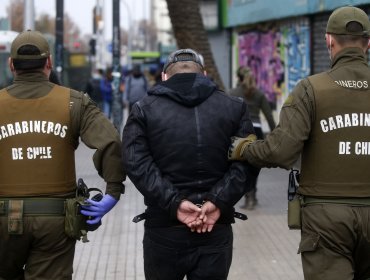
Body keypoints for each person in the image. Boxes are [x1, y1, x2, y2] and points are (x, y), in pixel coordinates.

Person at [228, 6, 370, 280]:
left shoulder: (311, 89)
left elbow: (281, 151)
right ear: (368, 43)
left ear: (329, 40)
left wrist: (244, 148)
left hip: (327, 220)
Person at [122, 48, 258, 280]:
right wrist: (217, 202)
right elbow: (248, 161)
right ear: (204, 74)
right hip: (215, 227)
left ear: (164, 76)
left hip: (164, 228)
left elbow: (136, 163)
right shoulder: (234, 107)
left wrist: (174, 203)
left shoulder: (144, 109)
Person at [0, 30, 125, 280]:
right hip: (56, 222)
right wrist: (112, 191)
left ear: (11, 64)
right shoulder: (73, 102)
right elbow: (110, 140)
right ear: (48, 63)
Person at [229, 66, 276, 209]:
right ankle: (252, 196)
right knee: (254, 166)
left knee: (241, 165)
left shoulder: (233, 93)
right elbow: (269, 116)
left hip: (240, 133)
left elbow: (228, 115)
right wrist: (275, 136)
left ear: (238, 78)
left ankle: (247, 196)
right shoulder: (259, 94)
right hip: (257, 132)